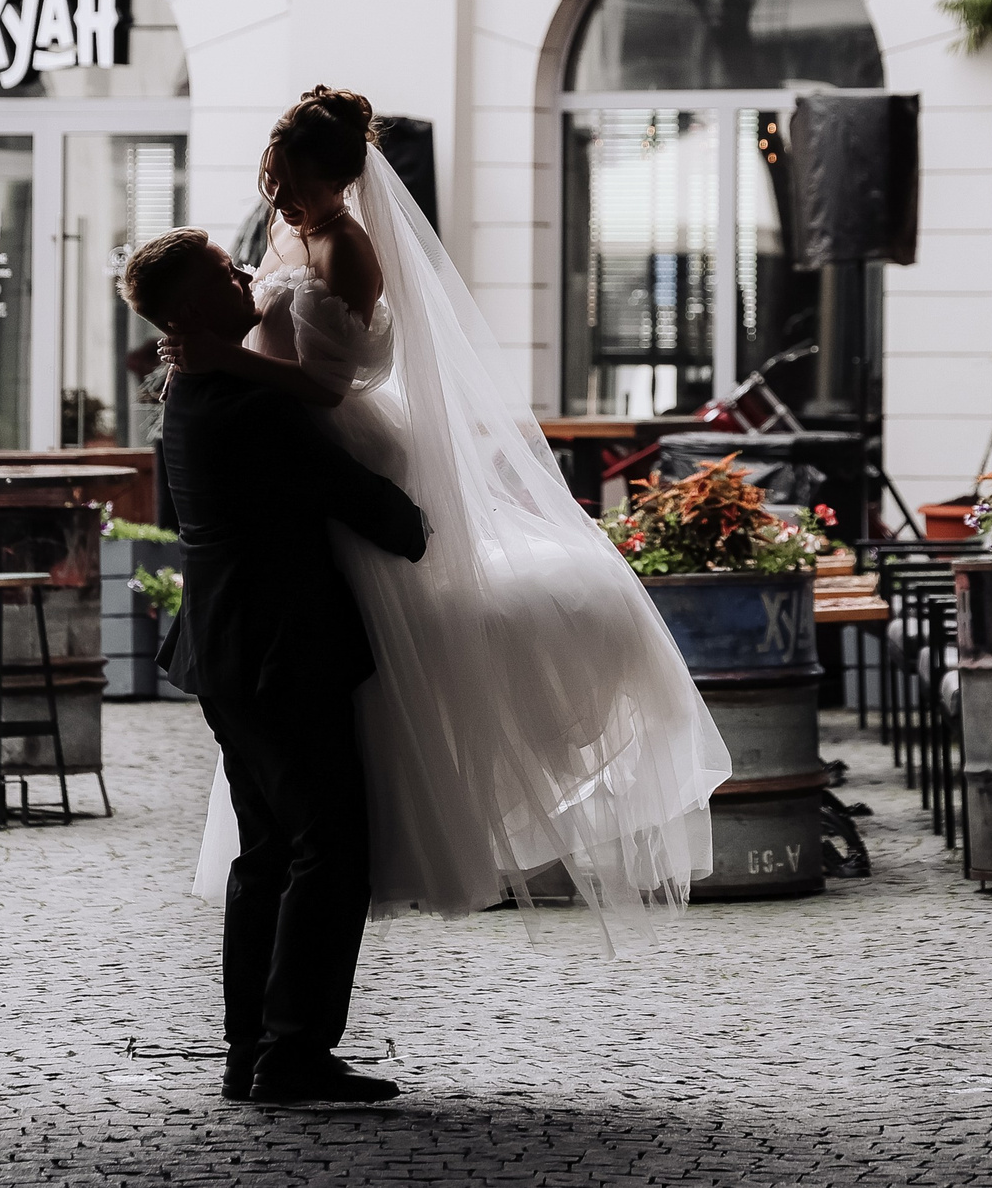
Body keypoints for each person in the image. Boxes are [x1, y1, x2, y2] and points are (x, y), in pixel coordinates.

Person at [161, 86, 732, 948]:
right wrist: (219, 358)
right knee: (315, 771)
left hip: (326, 432)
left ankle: (286, 1012)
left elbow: (324, 384)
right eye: (268, 176)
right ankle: (291, 1013)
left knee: (376, 655)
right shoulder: (278, 248)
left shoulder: (351, 249)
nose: (275, 197)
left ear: (338, 181)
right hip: (285, 458)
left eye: (291, 183)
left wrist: (222, 362)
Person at [121, 225, 427, 1106]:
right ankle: (293, 1053)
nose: (245, 270)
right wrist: (426, 523)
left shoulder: (190, 386)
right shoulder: (246, 402)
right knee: (329, 851)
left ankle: (250, 1047)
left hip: (225, 649)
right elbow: (345, 491)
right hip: (281, 649)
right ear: (189, 309)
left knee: (265, 855)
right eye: (224, 270)